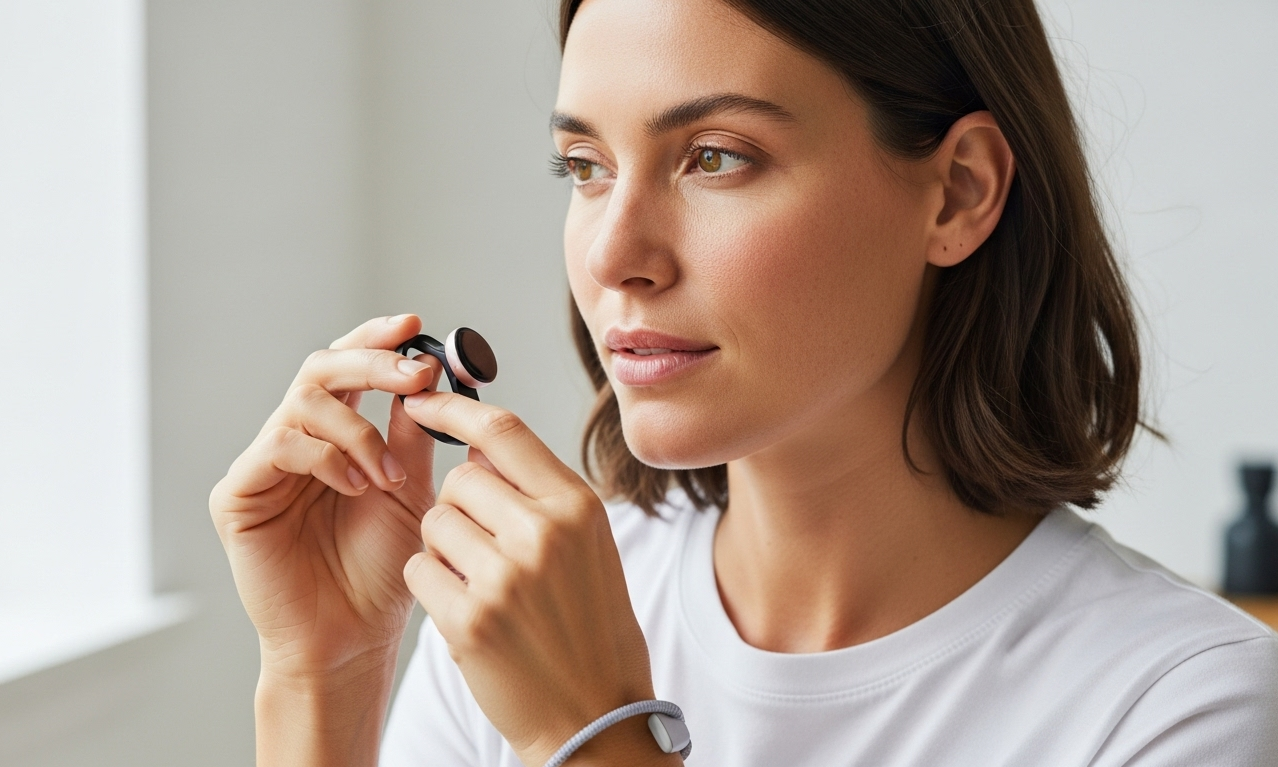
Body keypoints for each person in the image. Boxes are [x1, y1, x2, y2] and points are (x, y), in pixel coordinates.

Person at [210, 0, 1278, 764]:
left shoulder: (1180, 707)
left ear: (957, 192)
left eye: (714, 156)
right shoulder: (523, 608)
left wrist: (597, 740)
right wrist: (325, 672)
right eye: (586, 167)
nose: (615, 253)